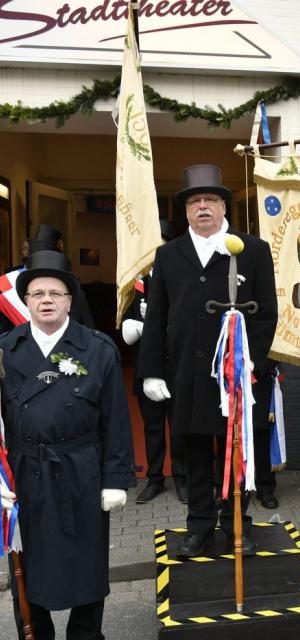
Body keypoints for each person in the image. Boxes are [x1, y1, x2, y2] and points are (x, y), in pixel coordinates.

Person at [138, 164, 277, 558]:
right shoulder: (168, 256)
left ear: (222, 207)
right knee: (195, 452)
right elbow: (157, 316)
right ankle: (198, 526)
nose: (202, 208)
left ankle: (236, 523)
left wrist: (253, 361)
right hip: (186, 372)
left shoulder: (252, 250)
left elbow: (267, 313)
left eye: (210, 200)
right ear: (185, 212)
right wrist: (150, 370)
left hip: (237, 375)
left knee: (236, 453)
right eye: (195, 202)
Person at [0, 249, 136, 639]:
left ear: (69, 301)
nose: (46, 300)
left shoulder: (96, 349)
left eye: (55, 293)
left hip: (81, 471)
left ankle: (86, 635)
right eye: (38, 293)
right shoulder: (6, 350)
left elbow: (115, 419)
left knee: (87, 564)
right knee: (26, 563)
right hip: (25, 475)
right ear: (25, 301)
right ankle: (35, 633)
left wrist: (115, 478)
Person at [122, 220, 187, 504]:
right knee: (153, 427)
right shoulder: (135, 283)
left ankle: (183, 478)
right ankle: (155, 479)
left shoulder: (181, 279)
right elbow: (126, 326)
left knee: (180, 424)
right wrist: (138, 323)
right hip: (147, 365)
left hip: (176, 365)